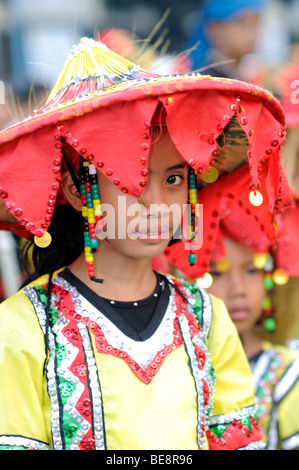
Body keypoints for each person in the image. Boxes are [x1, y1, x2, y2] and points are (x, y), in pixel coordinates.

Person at [0, 36, 290, 451]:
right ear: (79, 191)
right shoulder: (20, 330)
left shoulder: (207, 319)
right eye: (132, 181)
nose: (155, 205)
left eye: (173, 179)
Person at [202, 196, 299, 450]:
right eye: (217, 272)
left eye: (252, 270)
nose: (238, 290)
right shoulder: (177, 367)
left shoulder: (288, 372)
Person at [185, 0, 264, 79]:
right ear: (215, 29)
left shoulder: (254, 76)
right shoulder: (206, 80)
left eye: (256, 22)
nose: (252, 32)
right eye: (241, 22)